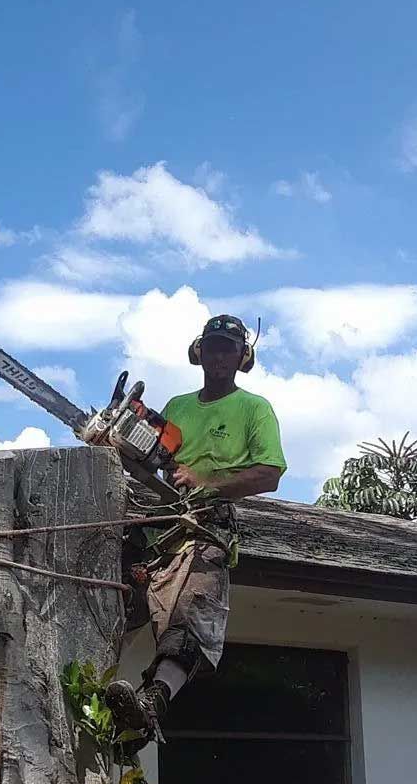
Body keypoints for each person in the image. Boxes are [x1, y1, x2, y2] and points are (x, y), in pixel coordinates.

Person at [105, 313, 286, 743]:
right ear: (199, 352)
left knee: (192, 613)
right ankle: (95, 688)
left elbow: (269, 473)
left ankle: (152, 701)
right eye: (214, 346)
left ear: (243, 357)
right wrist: (117, 440)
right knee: (106, 599)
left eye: (229, 348)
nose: (220, 355)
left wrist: (208, 482)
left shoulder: (254, 409)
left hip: (206, 527)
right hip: (156, 524)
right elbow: (151, 457)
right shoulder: (178, 407)